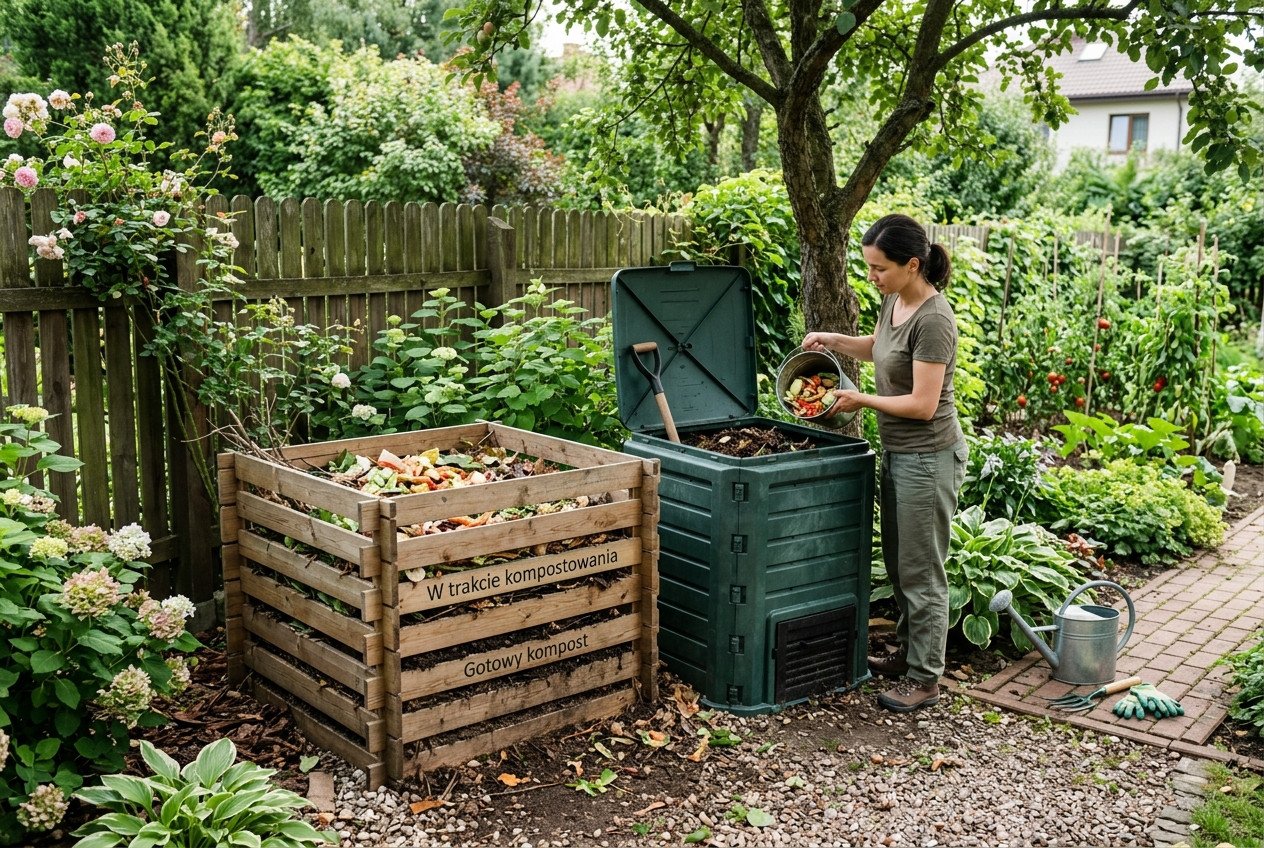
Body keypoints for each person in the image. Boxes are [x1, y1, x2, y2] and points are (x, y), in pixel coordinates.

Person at [801, 213, 967, 713]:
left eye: (879, 268)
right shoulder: (895, 301)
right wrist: (832, 340)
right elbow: (879, 349)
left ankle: (925, 679)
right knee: (899, 564)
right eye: (869, 267)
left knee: (922, 572)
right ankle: (909, 655)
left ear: (912, 264)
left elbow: (922, 404)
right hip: (900, 453)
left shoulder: (935, 320)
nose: (871, 277)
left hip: (929, 457)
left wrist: (860, 401)